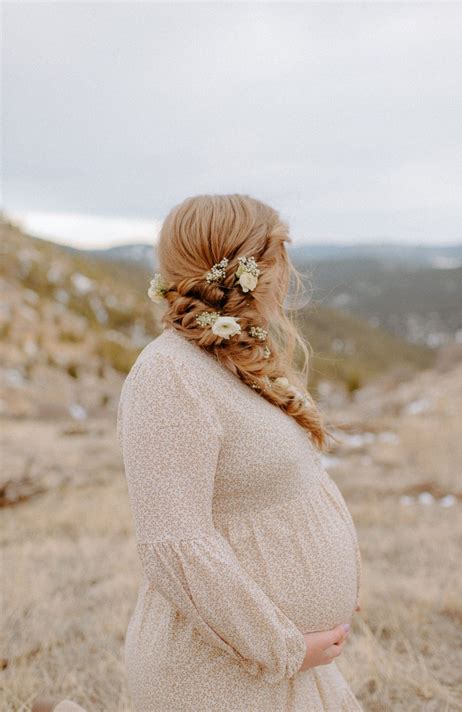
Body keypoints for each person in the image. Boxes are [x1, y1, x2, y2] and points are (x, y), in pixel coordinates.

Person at [116, 194, 363, 711]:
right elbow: (174, 544)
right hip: (224, 679)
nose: (287, 273)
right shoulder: (169, 375)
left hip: (280, 676)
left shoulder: (229, 357)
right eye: (280, 257)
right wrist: (285, 646)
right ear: (255, 269)